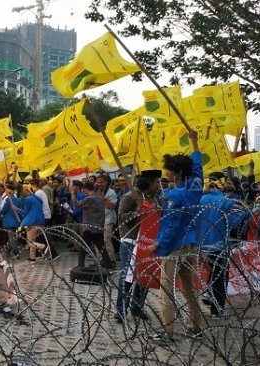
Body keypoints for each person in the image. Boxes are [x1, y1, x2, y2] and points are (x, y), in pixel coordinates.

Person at [145, 130, 204, 343]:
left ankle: (167, 332)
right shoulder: (196, 184)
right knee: (189, 288)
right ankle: (196, 326)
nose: (166, 174)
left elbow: (171, 226)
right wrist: (194, 141)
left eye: (169, 171)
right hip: (192, 244)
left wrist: (158, 245)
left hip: (175, 247)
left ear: (177, 173)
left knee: (166, 290)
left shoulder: (173, 196)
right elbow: (197, 163)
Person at [114, 170, 162, 323]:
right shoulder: (130, 197)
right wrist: (136, 213)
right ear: (148, 182)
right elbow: (121, 219)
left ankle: (137, 306)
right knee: (127, 276)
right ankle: (121, 309)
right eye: (156, 182)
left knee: (144, 276)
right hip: (131, 241)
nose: (159, 185)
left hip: (148, 243)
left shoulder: (157, 199)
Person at [197, 171, 237, 317]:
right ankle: (217, 309)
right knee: (220, 277)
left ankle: (210, 297)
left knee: (213, 273)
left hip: (203, 244)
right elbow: (234, 224)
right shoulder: (225, 202)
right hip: (219, 245)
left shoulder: (200, 200)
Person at [10, 183, 59, 262]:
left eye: (23, 190)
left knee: (30, 242)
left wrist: (16, 209)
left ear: (26, 190)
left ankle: (43, 247)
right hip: (41, 221)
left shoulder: (28, 199)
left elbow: (25, 212)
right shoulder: (37, 198)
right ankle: (32, 257)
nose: (22, 192)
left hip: (31, 222)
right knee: (33, 240)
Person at [73, 182, 114, 269]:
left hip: (90, 228)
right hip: (98, 227)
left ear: (86, 190)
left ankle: (80, 265)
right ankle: (108, 263)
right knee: (101, 247)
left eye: (84, 191)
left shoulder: (90, 199)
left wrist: (72, 194)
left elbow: (77, 203)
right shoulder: (100, 198)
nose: (84, 193)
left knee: (83, 247)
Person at [96, 174, 118, 264]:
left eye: (101, 182)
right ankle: (101, 260)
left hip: (108, 219)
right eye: (97, 182)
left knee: (106, 240)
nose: (99, 184)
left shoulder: (111, 192)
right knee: (97, 240)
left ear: (107, 182)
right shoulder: (95, 191)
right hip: (98, 219)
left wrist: (103, 198)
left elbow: (111, 206)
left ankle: (111, 260)